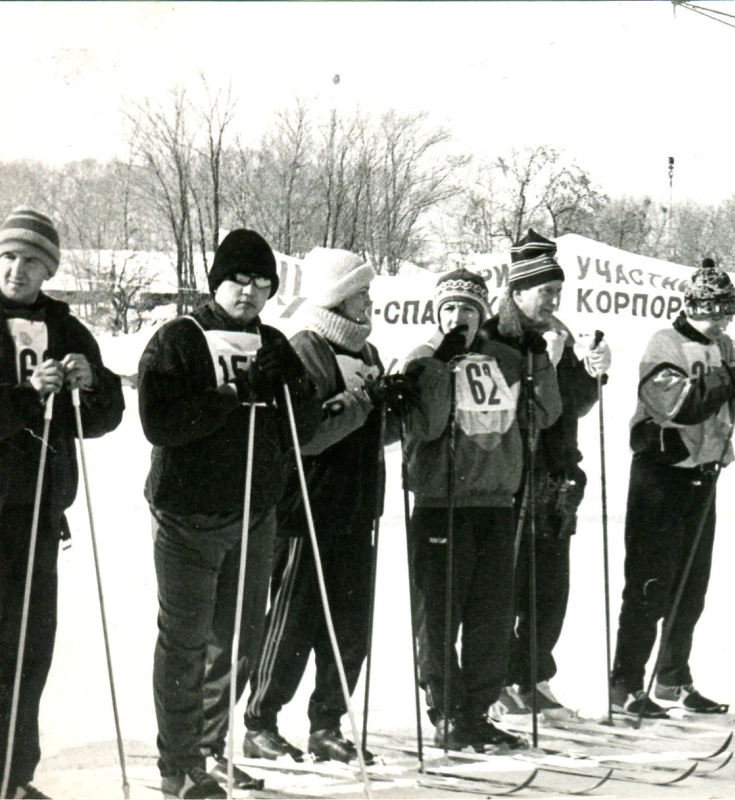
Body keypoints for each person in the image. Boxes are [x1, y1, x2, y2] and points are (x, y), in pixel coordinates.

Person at [138, 229, 320, 799]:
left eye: (262, 284)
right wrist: (234, 396)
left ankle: (212, 749)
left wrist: (288, 380)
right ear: (217, 281)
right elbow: (160, 423)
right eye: (239, 281)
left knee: (239, 639)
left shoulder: (272, 340)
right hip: (189, 516)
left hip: (254, 511)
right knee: (186, 642)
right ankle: (179, 763)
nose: (250, 293)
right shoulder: (179, 338)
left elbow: (306, 427)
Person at [242, 248, 415, 764]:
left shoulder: (367, 352)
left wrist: (391, 410)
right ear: (339, 296)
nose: (370, 301)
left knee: (349, 627)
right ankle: (261, 720)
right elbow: (307, 434)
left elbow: (368, 429)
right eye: (363, 292)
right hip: (307, 509)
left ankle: (327, 723)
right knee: (293, 622)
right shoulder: (305, 348)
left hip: (357, 507)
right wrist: (365, 403)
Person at [608, 259, 735, 717]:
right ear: (691, 306)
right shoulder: (664, 342)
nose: (721, 318)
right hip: (661, 473)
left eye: (728, 309)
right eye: (712, 309)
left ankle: (672, 677)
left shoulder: (722, 344)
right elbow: (680, 404)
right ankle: (625, 682)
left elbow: (731, 409)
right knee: (650, 584)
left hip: (703, 473)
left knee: (691, 586)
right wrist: (731, 378)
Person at [402, 269, 561, 750]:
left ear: (482, 313)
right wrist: (438, 368)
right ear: (437, 312)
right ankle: (446, 711)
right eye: (449, 309)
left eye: (468, 310)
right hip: (441, 503)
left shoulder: (504, 359)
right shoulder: (420, 357)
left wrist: (540, 364)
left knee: (491, 616)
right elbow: (425, 427)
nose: (458, 318)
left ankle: (476, 709)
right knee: (438, 616)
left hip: (495, 502)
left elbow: (544, 414)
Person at [0, 208, 125, 800]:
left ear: (49, 268)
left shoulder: (67, 328)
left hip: (38, 514)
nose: (16, 269)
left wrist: (90, 381)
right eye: (7, 257)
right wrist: (26, 397)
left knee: (28, 653)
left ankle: (14, 775)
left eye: (29, 261)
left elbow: (105, 417)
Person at [479, 230, 610, 719]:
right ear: (516, 291)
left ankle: (530, 673)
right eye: (543, 291)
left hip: (555, 475)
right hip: (511, 474)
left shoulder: (560, 332)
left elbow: (570, 407)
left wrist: (591, 372)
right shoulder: (494, 336)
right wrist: (549, 366)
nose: (553, 300)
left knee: (551, 588)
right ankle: (491, 681)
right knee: (503, 585)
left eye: (557, 291)